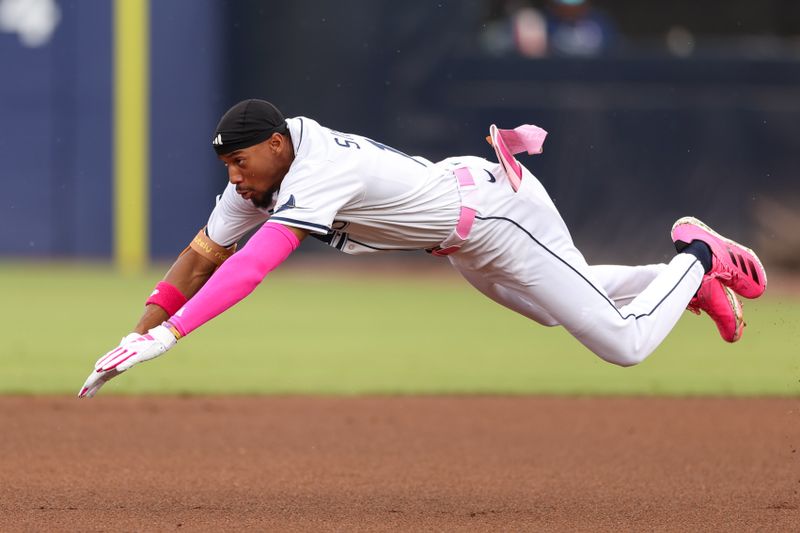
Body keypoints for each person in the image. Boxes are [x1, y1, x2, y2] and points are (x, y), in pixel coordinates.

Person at [78, 99, 767, 398]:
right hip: (462, 240)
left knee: (622, 343)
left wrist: (172, 333)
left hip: (498, 213)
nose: (234, 174)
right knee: (566, 304)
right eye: (226, 163)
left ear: (278, 144)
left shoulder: (317, 166)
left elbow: (257, 263)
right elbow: (203, 255)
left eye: (241, 160)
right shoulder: (258, 182)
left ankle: (694, 255)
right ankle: (681, 283)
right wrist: (133, 337)